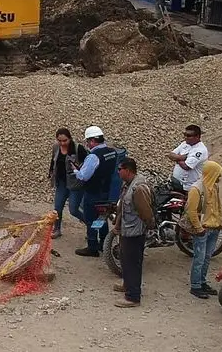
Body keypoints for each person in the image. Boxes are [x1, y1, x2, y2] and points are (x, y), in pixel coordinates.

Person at [111, 157, 154, 308]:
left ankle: (133, 296)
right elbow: (122, 206)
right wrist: (117, 225)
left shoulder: (138, 188)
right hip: (126, 230)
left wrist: (149, 226)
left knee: (132, 263)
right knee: (125, 260)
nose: (118, 172)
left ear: (128, 170)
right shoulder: (128, 185)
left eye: (119, 169)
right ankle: (127, 284)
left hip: (135, 232)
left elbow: (145, 212)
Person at [72, 125, 120, 257]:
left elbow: (84, 176)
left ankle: (92, 246)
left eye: (88, 141)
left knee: (91, 219)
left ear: (93, 141)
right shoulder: (112, 152)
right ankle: (104, 243)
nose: (87, 144)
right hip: (106, 191)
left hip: (93, 192)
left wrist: (76, 170)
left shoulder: (94, 156)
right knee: (102, 217)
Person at [185, 160, 222, 299]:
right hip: (203, 229)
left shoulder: (214, 187)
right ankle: (195, 286)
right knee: (199, 258)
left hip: (214, 228)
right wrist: (198, 228)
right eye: (218, 174)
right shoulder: (196, 189)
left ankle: (202, 282)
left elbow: (217, 206)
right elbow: (191, 211)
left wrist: (220, 221)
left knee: (207, 258)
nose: (220, 177)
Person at [49, 128, 89, 238]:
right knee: (57, 208)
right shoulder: (56, 147)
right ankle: (57, 229)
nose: (62, 143)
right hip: (61, 182)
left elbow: (87, 164)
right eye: (59, 141)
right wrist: (51, 174)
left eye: (64, 141)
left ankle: (89, 224)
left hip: (75, 184)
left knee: (74, 210)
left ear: (70, 138)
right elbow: (53, 161)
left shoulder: (78, 149)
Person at [166, 125, 209, 192]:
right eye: (184, 135)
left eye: (188, 135)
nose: (185, 138)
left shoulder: (200, 150)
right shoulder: (184, 144)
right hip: (176, 183)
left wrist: (177, 158)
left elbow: (186, 166)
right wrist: (181, 157)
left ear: (197, 136)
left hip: (189, 188)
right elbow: (170, 154)